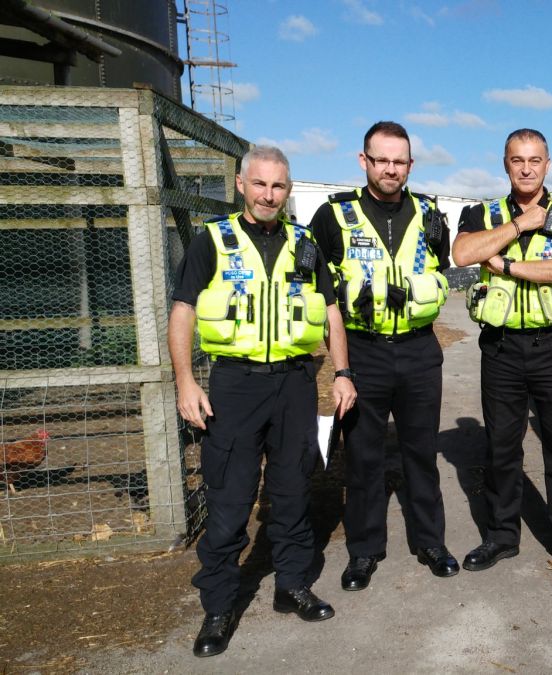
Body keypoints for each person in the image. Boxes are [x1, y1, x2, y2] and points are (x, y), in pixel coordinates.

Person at [169, 145, 357, 658]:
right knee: (230, 498)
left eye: (278, 186)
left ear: (288, 190)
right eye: (260, 184)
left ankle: (291, 585)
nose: (268, 194)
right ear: (240, 184)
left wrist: (341, 372)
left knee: (294, 488)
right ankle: (219, 605)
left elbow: (330, 312)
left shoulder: (307, 244)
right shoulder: (213, 241)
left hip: (295, 383)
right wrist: (186, 381)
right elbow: (183, 310)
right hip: (235, 384)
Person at [309, 121, 457, 590]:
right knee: (364, 459)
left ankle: (431, 542)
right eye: (382, 160)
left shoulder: (431, 216)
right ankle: (364, 552)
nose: (391, 169)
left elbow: (440, 270)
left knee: (421, 454)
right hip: (364, 351)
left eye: (400, 161)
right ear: (363, 161)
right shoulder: (333, 218)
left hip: (418, 351)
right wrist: (341, 368)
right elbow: (324, 297)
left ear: (410, 165)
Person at [451, 128, 552, 582]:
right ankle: (501, 535)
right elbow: (462, 254)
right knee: (500, 447)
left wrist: (508, 265)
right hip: (502, 348)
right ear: (505, 164)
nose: (527, 168)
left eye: (535, 160)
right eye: (518, 160)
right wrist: (516, 228)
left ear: (548, 165)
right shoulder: (483, 213)